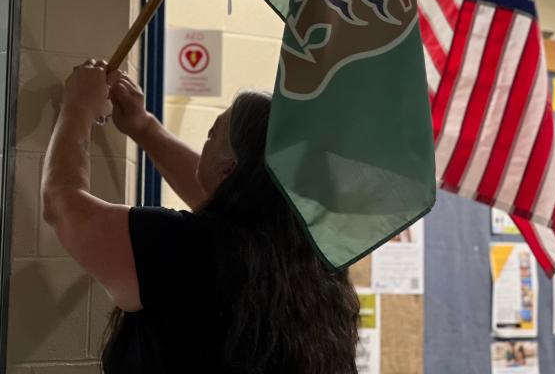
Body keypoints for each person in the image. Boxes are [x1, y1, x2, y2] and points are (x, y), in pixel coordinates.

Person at [41, 60, 360, 373]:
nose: (204, 141)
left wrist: (79, 107)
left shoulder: (183, 245)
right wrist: (143, 127)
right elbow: (231, 200)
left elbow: (62, 205)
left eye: (212, 134)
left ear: (229, 169)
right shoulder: (313, 264)